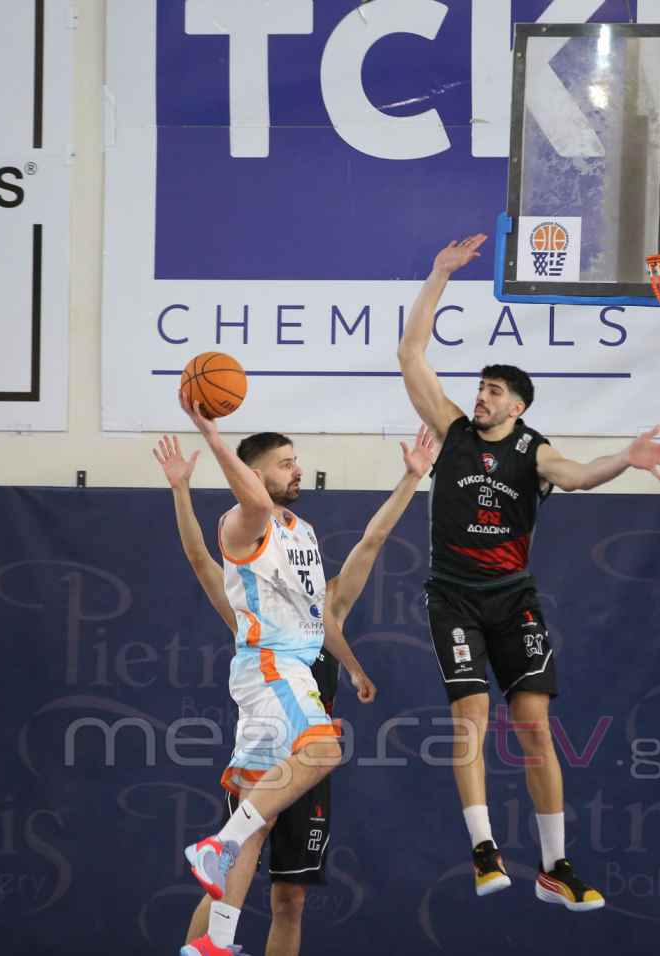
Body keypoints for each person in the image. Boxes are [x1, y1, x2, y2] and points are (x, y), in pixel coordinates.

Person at [395, 233, 660, 910]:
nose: (481, 397)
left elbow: (579, 477)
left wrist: (626, 458)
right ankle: (484, 849)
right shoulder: (452, 431)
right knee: (470, 715)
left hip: (512, 599)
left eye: (493, 391)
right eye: (480, 388)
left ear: (518, 406)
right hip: (454, 598)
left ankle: (556, 866)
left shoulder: (534, 451)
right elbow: (411, 354)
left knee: (533, 725)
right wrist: (438, 273)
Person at [165, 393, 436, 956]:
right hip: (273, 673)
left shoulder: (303, 544)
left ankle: (214, 944)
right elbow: (213, 548)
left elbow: (367, 548)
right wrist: (209, 444)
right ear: (257, 474)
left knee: (262, 837)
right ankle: (217, 846)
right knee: (323, 751)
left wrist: (412, 479)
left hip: (290, 696)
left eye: (296, 461)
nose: (298, 469)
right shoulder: (246, 530)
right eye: (285, 463)